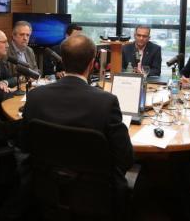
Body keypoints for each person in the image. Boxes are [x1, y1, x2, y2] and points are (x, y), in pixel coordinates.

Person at [21, 34, 134, 191]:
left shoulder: (34, 96)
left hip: (45, 185)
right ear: (92, 63)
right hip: (96, 191)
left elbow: (25, 144)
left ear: (63, 60)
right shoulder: (106, 102)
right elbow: (126, 158)